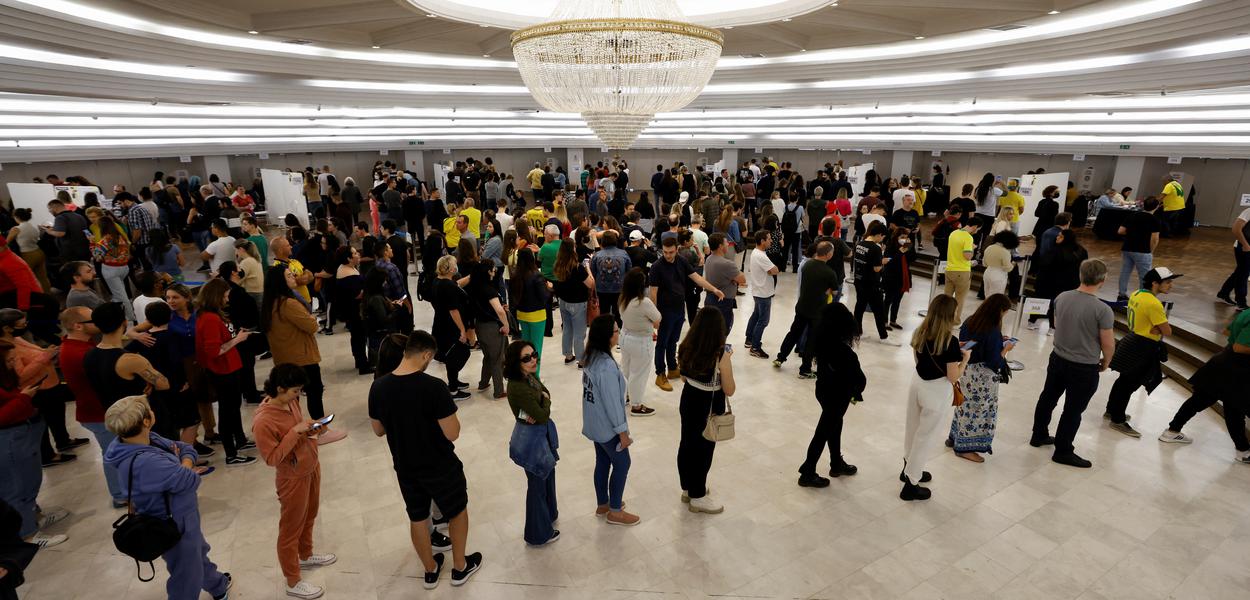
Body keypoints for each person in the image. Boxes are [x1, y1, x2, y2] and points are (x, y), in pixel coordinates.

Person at [368, 331, 482, 588]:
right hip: (440, 464)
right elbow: (452, 433)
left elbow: (378, 430)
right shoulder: (433, 387)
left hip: (405, 467)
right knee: (456, 512)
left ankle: (430, 570)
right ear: (427, 354)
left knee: (418, 517)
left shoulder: (378, 387)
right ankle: (460, 568)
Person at [102, 395, 233, 599]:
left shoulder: (145, 439)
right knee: (186, 573)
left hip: (181, 513)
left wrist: (182, 462)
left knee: (198, 552)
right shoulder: (145, 461)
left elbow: (185, 448)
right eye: (149, 410)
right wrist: (185, 465)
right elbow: (190, 479)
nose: (153, 411)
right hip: (172, 520)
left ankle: (217, 585)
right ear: (145, 421)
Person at [252, 364, 336, 599]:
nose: (298, 396)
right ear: (280, 388)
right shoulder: (263, 421)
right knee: (290, 530)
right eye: (295, 391)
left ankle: (306, 555)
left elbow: (298, 429)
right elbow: (271, 458)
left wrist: (312, 429)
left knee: (310, 515)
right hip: (292, 479)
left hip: (311, 467)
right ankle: (293, 581)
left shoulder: (290, 401)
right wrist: (295, 432)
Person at [1031, 259, 1116, 469]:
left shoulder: (1062, 297)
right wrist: (1107, 361)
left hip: (1058, 358)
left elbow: (1058, 324)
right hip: (1083, 367)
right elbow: (1107, 342)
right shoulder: (1102, 310)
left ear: (1080, 275)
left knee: (1048, 397)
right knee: (1073, 410)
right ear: (1103, 280)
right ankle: (1063, 450)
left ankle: (1038, 434)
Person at [0, 339, 68, 549]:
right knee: (15, 486)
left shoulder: (7, 378)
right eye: (9, 360)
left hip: (23, 430)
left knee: (29, 479)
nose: (14, 363)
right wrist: (23, 398)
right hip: (8, 437)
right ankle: (27, 534)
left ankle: (34, 516)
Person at [1158, 308, 1250, 463]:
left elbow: (1227, 332)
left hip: (1224, 362)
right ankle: (1243, 451)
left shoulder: (1247, 312)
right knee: (1234, 409)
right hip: (1236, 368)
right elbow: (1239, 347)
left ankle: (1172, 431)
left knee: (1201, 401)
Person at [902, 295, 970, 501]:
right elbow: (953, 376)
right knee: (926, 437)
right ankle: (911, 484)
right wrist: (964, 359)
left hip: (917, 384)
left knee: (912, 429)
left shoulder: (919, 332)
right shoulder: (950, 342)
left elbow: (917, 360)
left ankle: (907, 467)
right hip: (936, 392)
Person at [1105, 267, 1181, 437]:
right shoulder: (1154, 303)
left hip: (1131, 339)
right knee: (1129, 384)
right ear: (1155, 283)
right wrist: (1158, 328)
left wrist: (1155, 327)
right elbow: (1167, 331)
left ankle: (1112, 411)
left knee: (1123, 380)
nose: (1171, 285)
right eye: (1167, 282)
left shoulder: (1137, 293)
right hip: (1143, 346)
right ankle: (1117, 420)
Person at [579, 315, 639, 525]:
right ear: (607, 336)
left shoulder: (591, 357)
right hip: (608, 428)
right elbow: (613, 405)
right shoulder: (605, 367)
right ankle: (615, 511)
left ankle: (603, 503)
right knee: (623, 464)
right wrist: (622, 433)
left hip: (595, 424)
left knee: (603, 461)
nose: (619, 333)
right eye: (616, 330)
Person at [797, 303, 864, 488]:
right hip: (838, 396)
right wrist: (856, 392)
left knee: (834, 424)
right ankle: (808, 471)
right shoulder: (846, 354)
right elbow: (860, 380)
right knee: (823, 431)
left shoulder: (822, 341)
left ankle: (836, 463)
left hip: (823, 390)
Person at [676, 308, 735, 514]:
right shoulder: (720, 354)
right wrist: (727, 362)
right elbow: (730, 389)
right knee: (703, 450)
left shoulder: (686, 346)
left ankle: (688, 488)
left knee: (687, 444)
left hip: (688, 398)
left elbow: (683, 377)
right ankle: (698, 496)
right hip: (709, 406)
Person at [194, 280, 257, 467]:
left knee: (234, 406)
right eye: (225, 295)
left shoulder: (212, 316)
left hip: (230, 367)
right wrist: (237, 340)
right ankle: (231, 453)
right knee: (227, 410)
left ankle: (240, 440)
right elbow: (214, 351)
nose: (227, 299)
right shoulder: (210, 319)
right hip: (222, 370)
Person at [504, 339, 561, 544]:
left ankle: (549, 514)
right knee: (537, 484)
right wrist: (545, 400)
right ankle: (538, 534)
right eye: (526, 358)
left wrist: (545, 398)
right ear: (515, 362)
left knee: (547, 476)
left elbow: (546, 393)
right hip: (531, 442)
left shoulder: (528, 376)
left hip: (540, 437)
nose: (533, 360)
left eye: (534, 354)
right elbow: (542, 414)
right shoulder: (518, 387)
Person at [649, 237, 723, 392]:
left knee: (673, 341)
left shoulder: (681, 261)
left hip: (678, 309)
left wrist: (713, 289)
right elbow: (653, 293)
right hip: (664, 312)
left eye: (671, 252)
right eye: (665, 252)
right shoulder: (656, 267)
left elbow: (696, 278)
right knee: (661, 343)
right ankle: (660, 373)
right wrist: (655, 316)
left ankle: (672, 367)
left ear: (677, 249)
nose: (668, 255)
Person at [949, 294, 1014, 462]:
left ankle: (955, 437)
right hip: (982, 379)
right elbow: (994, 362)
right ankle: (965, 448)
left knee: (963, 405)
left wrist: (999, 341)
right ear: (999, 311)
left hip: (966, 370)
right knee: (978, 411)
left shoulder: (971, 320)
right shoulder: (992, 330)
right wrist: (1005, 349)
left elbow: (967, 345)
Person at [261, 264, 327, 419]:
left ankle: (297, 425)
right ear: (280, 281)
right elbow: (312, 326)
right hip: (301, 356)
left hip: (285, 356)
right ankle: (320, 427)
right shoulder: (288, 303)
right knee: (314, 390)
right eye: (289, 275)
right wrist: (311, 319)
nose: (293, 277)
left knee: (292, 398)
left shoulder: (271, 303)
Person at [774, 241, 839, 378]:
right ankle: (805, 369)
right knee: (812, 340)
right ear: (828, 254)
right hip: (817, 311)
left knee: (793, 333)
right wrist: (827, 291)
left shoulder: (806, 265)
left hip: (802, 306)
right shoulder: (829, 272)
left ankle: (780, 357)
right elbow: (834, 292)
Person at [617, 269, 660, 417]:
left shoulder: (623, 298)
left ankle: (625, 396)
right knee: (639, 374)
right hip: (640, 341)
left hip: (624, 337)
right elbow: (657, 318)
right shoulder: (644, 302)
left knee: (625, 369)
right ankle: (636, 405)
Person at [429, 256, 472, 400]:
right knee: (459, 353)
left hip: (440, 323)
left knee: (451, 355)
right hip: (450, 326)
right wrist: (462, 329)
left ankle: (454, 381)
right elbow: (453, 310)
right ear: (451, 269)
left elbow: (456, 286)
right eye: (454, 264)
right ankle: (453, 388)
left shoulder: (438, 281)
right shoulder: (448, 286)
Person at [469, 262, 509, 399]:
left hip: (479, 326)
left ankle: (483, 383)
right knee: (497, 359)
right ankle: (499, 391)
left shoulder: (474, 286)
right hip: (492, 328)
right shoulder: (489, 290)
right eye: (493, 269)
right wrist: (506, 325)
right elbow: (499, 311)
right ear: (488, 272)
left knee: (488, 357)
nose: (495, 271)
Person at [553, 240, 594, 366]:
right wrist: (588, 269)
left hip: (563, 301)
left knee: (567, 329)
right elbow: (591, 284)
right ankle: (581, 360)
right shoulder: (577, 267)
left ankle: (568, 355)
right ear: (573, 249)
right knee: (579, 332)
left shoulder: (558, 265)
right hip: (577, 303)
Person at [853, 222, 894, 344]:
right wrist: (883, 261)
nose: (882, 239)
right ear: (879, 235)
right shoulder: (875, 248)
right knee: (879, 310)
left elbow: (865, 260)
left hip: (859, 280)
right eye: (883, 237)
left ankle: (857, 333)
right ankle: (884, 337)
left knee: (859, 307)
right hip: (871, 283)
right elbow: (876, 268)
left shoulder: (860, 243)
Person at [1117, 196, 1162, 302]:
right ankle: (1143, 297)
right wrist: (1150, 251)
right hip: (1143, 250)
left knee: (1125, 272)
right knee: (1145, 276)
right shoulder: (1154, 220)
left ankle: (1122, 294)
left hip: (1127, 248)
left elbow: (1120, 231)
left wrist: (1133, 233)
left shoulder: (1132, 215)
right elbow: (1155, 239)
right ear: (1156, 207)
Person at [744, 231, 779, 359]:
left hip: (758, 290)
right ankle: (755, 347)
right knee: (763, 321)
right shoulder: (761, 256)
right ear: (762, 241)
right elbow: (774, 270)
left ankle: (749, 339)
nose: (771, 241)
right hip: (763, 292)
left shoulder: (756, 252)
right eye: (769, 239)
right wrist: (773, 269)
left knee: (756, 315)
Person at [944, 216, 982, 320]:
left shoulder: (953, 233)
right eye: (978, 229)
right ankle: (955, 321)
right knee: (959, 299)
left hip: (949, 269)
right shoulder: (968, 237)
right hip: (962, 271)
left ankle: (943, 318)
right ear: (974, 227)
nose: (977, 231)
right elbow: (967, 256)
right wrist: (972, 249)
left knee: (947, 298)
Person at [589, 230, 631, 324]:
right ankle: (619, 333)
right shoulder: (623, 254)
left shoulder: (597, 255)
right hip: (619, 289)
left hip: (602, 290)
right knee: (619, 314)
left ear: (602, 241)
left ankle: (605, 332)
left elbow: (593, 274)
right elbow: (629, 272)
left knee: (604, 314)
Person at [6, 209, 50, 293]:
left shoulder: (16, 229)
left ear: (16, 217)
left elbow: (6, 242)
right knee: (43, 278)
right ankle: (48, 295)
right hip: (39, 252)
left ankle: (35, 299)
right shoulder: (33, 226)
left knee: (27, 279)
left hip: (27, 254)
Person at [1216, 204, 1250, 309]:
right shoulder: (1248, 211)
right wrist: (1245, 244)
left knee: (1240, 272)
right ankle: (1241, 302)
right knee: (1243, 274)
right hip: (1243, 247)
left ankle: (1224, 293)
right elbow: (1236, 229)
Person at [982, 231, 1018, 298]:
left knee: (987, 295)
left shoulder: (989, 248)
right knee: (996, 297)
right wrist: (1013, 264)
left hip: (987, 272)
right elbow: (1007, 268)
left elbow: (984, 263)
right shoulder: (1005, 252)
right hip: (999, 275)